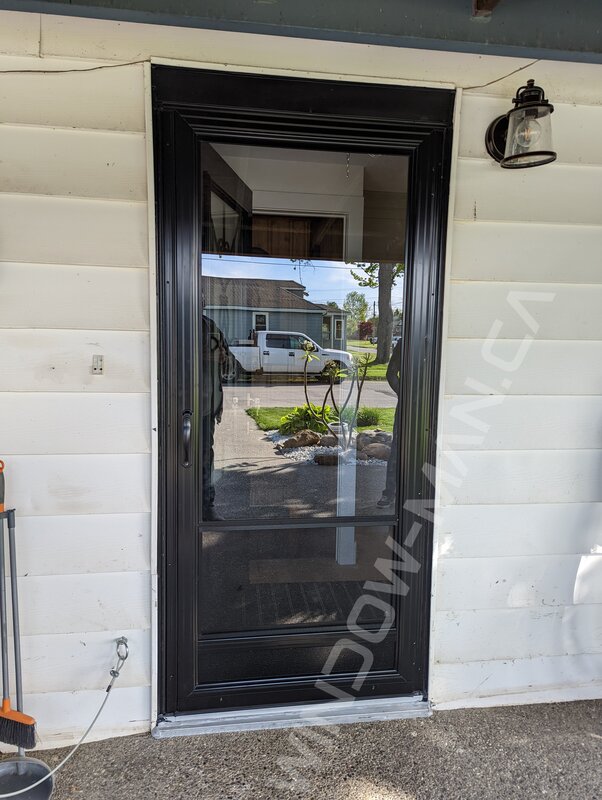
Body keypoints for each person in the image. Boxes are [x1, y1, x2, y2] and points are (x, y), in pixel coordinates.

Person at [201, 314, 229, 520]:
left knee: (204, 457)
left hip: (208, 407)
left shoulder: (210, 325)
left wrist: (224, 358)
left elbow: (231, 365)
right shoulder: (177, 321)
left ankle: (205, 507)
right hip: (181, 405)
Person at [377, 337, 402, 508]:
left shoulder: (437, 341)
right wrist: (405, 393)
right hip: (406, 406)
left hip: (433, 405)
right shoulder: (404, 343)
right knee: (397, 450)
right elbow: (391, 373)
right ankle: (389, 493)